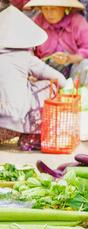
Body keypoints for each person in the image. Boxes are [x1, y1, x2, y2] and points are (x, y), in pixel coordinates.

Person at [0, 5, 66, 151]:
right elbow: (60, 80)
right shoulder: (25, 57)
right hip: (12, 125)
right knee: (50, 86)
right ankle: (30, 137)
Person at [25, 0, 88, 89]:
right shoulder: (37, 22)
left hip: (73, 71)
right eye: (45, 9)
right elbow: (28, 49)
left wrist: (69, 58)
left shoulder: (77, 21)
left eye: (53, 9)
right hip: (46, 72)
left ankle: (77, 96)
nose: (49, 13)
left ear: (64, 8)